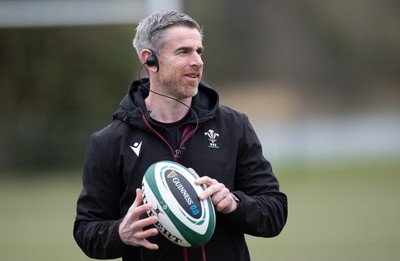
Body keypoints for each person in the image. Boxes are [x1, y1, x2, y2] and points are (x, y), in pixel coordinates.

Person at [73, 10, 288, 261]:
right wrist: (120, 233)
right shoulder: (109, 142)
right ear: (150, 60)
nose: (197, 61)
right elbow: (86, 230)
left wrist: (234, 204)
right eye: (184, 51)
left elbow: (275, 212)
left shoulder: (233, 126)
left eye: (199, 51)